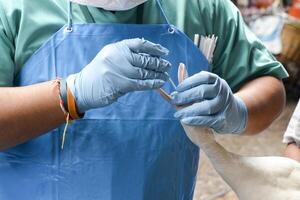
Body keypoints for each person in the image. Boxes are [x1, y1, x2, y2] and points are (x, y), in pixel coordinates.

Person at [0, 0, 289, 199]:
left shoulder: (201, 7)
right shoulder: (15, 9)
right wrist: (71, 93)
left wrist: (237, 110)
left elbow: (268, 85)